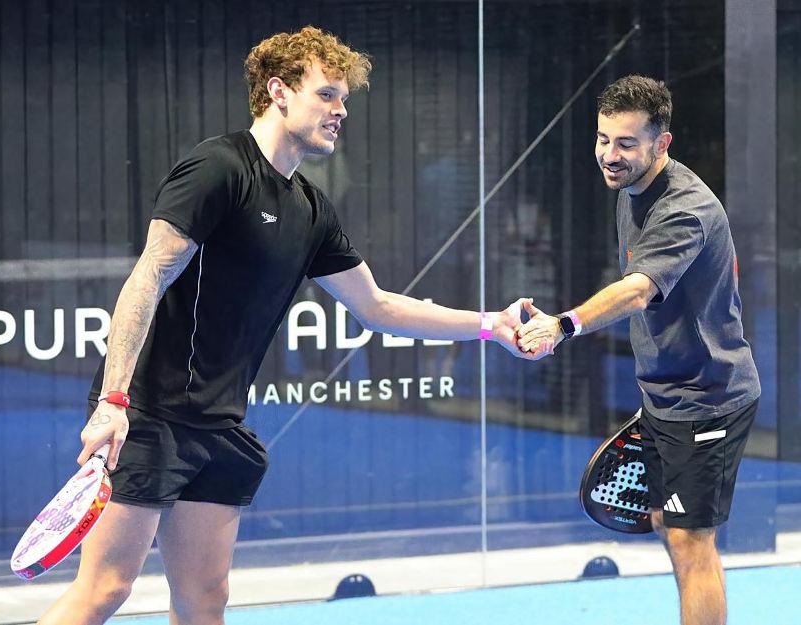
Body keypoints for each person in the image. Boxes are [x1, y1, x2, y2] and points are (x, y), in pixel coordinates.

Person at [38, 26, 530, 625]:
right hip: (148, 413)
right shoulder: (218, 168)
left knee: (205, 600)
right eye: (327, 95)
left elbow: (378, 306)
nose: (341, 110)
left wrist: (491, 325)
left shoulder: (311, 209)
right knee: (105, 591)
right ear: (278, 91)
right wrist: (113, 402)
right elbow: (148, 277)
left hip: (218, 425)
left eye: (344, 98)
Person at [516, 75, 760, 625]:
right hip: (663, 395)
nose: (610, 154)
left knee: (692, 542)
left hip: (709, 398)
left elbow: (637, 290)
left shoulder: (684, 209)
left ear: (661, 143)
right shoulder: (631, 190)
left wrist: (563, 325)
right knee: (666, 523)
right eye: (603, 139)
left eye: (626, 143)